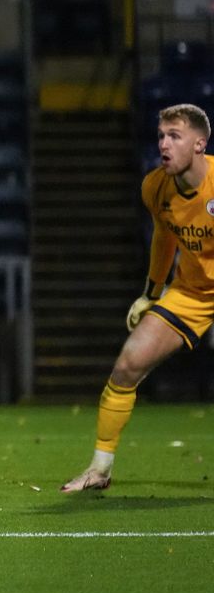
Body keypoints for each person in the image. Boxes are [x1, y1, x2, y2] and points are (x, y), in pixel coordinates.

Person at [62, 103, 213, 493]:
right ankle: (99, 469)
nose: (163, 144)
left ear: (200, 144)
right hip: (192, 293)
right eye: (161, 135)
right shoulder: (155, 187)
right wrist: (151, 294)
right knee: (128, 365)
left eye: (174, 136)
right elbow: (164, 237)